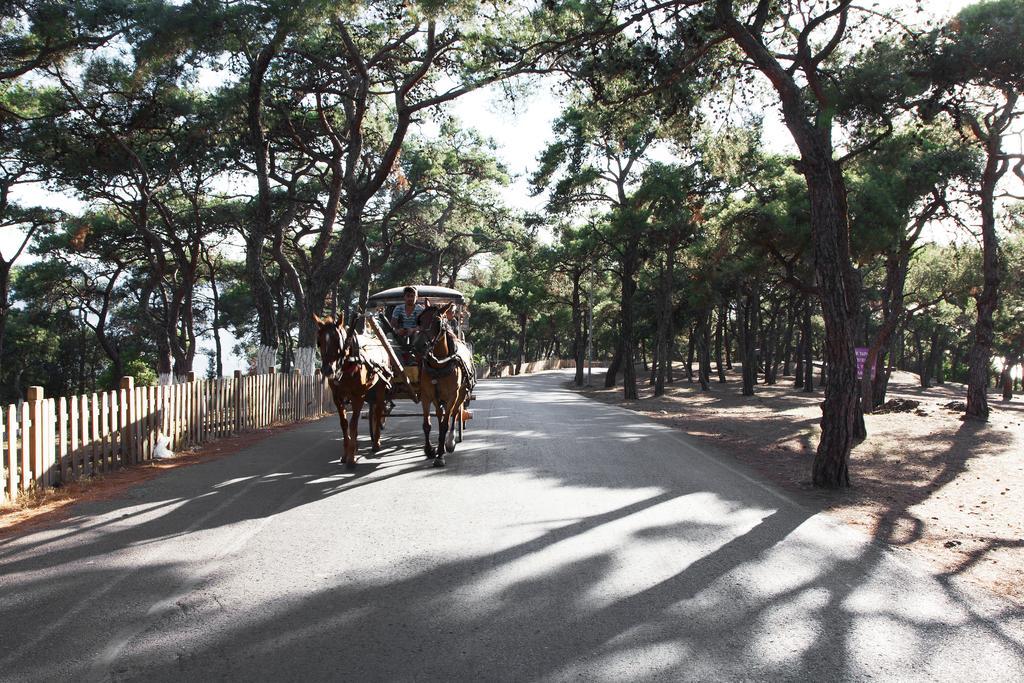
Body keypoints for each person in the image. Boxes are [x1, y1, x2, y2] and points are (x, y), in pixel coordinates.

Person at [391, 286, 423, 363]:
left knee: (418, 335)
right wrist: (398, 330)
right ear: (404, 297)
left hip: (415, 333)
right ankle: (395, 360)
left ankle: (416, 359)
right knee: (390, 336)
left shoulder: (420, 310)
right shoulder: (398, 308)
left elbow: (423, 326)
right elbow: (392, 324)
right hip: (401, 333)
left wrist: (413, 330)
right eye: (408, 296)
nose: (410, 299)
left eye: (412, 296)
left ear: (416, 297)